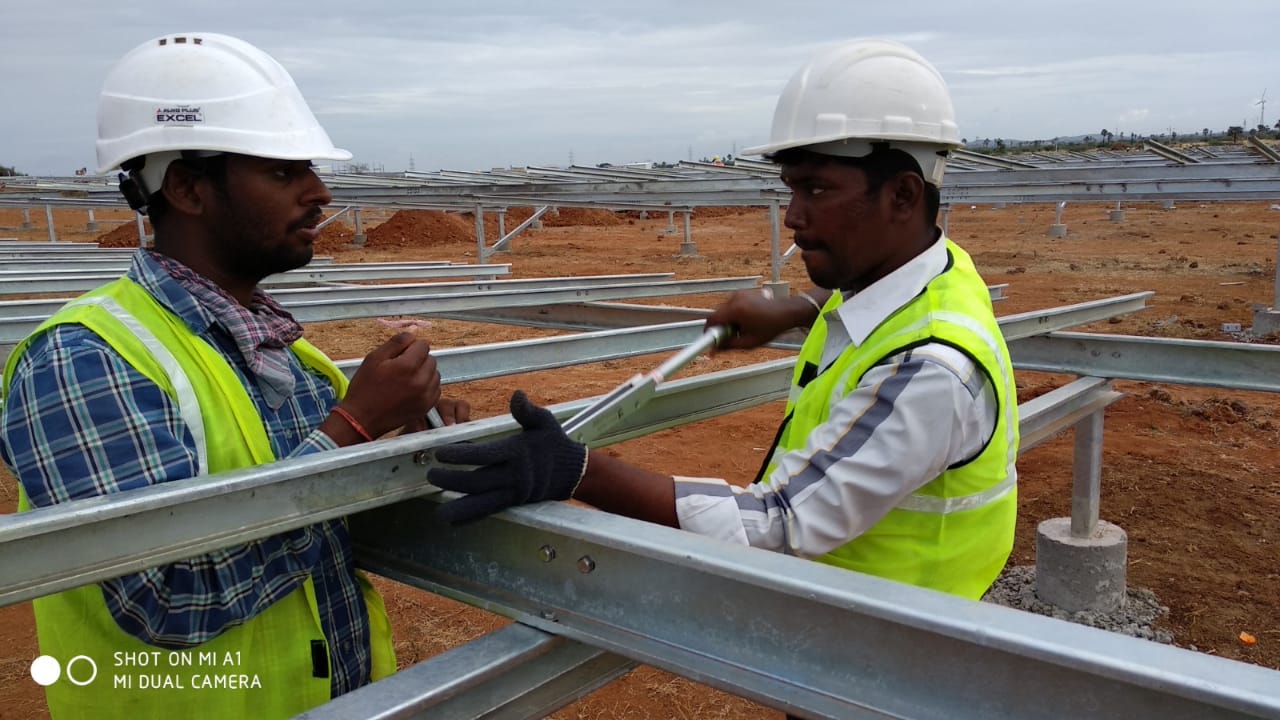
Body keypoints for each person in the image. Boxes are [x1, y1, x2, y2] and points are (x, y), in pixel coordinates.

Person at [430, 38, 1019, 602]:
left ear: (903, 197)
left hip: (890, 645)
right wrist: (798, 308)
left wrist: (578, 470)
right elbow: (886, 302)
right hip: (856, 614)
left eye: (817, 190)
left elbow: (779, 522)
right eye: (791, 189)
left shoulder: (932, 372)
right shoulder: (934, 270)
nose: (792, 217)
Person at [0, 33, 466, 719]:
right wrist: (353, 427)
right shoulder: (83, 359)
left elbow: (326, 528)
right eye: (281, 171)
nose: (319, 192)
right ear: (188, 188)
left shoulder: (288, 355)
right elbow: (170, 595)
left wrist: (401, 452)